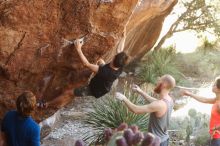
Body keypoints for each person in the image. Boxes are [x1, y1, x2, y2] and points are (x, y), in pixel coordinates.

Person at [37, 33, 128, 108]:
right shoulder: (120, 65)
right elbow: (120, 50)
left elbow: (86, 64)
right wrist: (124, 36)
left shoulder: (104, 71)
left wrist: (78, 49)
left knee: (69, 93)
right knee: (100, 61)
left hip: (95, 89)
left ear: (113, 60)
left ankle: (46, 104)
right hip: (105, 80)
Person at [115, 75, 176, 146]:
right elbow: (154, 101)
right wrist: (140, 91)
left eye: (160, 80)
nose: (157, 82)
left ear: (164, 85)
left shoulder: (159, 104)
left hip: (156, 142)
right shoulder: (169, 100)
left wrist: (124, 98)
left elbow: (136, 110)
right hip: (164, 139)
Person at [181, 76, 220, 146]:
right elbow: (204, 99)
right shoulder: (216, 100)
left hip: (217, 139)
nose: (212, 86)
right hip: (214, 137)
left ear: (218, 89)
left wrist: (215, 128)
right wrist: (190, 94)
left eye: (214, 85)